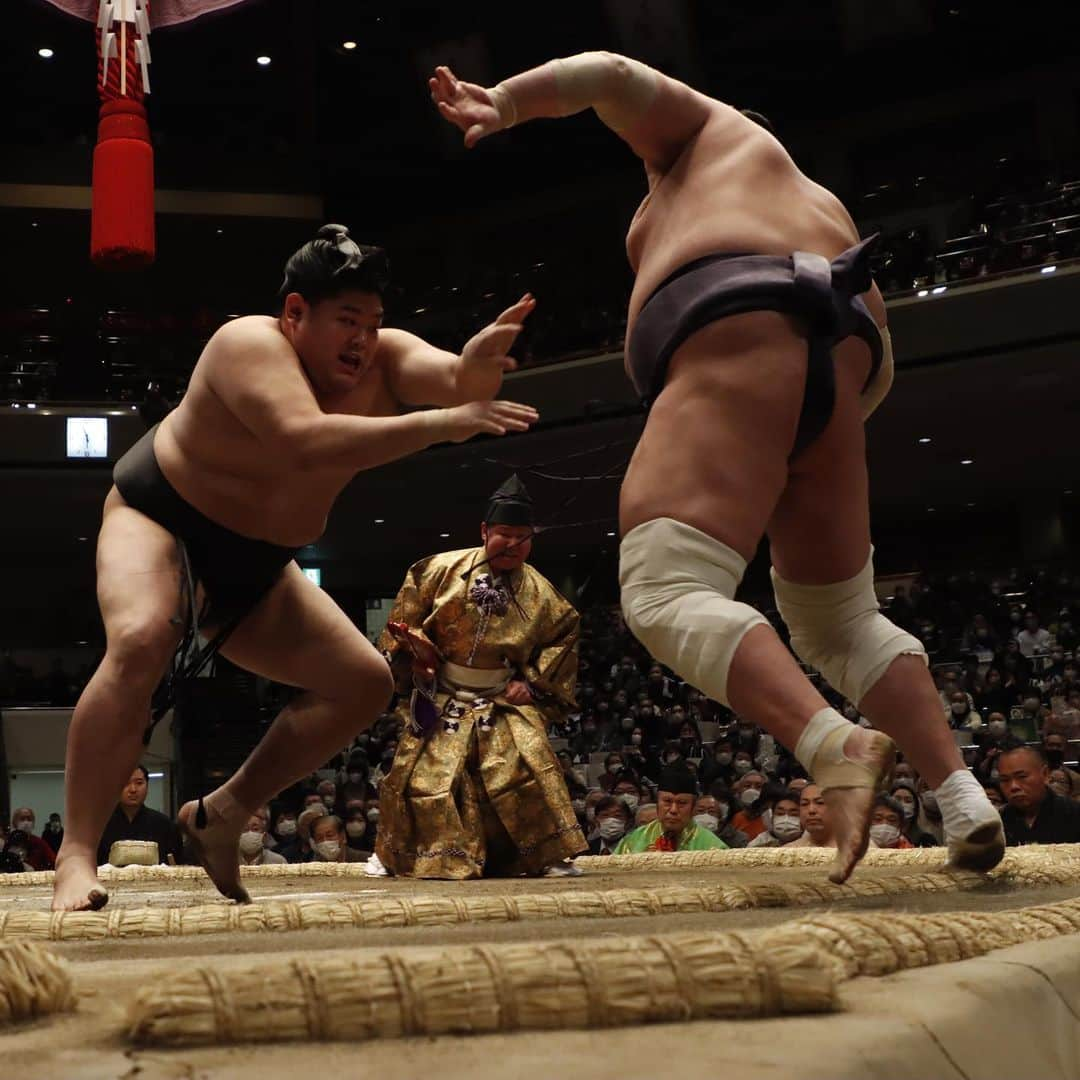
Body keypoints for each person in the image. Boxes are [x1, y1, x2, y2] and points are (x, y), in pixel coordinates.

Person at [430, 53, 1003, 883]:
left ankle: (833, 746)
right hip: (840, 369)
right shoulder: (821, 205)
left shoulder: (707, 133)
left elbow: (610, 74)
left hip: (740, 325)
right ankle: (962, 798)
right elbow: (877, 360)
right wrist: (789, 432)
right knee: (842, 621)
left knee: (664, 589)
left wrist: (507, 103)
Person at [53, 223, 539, 911]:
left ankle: (221, 813)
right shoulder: (244, 344)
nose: (363, 340)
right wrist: (438, 424)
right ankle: (76, 855)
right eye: (347, 321)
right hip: (162, 514)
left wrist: (478, 364)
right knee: (140, 638)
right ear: (294, 314)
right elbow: (302, 438)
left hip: (258, 563)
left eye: (373, 323)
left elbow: (457, 382)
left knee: (363, 684)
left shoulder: (385, 360)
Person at [375, 476, 585, 878]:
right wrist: (415, 655)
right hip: (439, 689)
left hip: (501, 694)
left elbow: (563, 636)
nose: (513, 545)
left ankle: (541, 855)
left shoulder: (541, 591)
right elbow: (403, 620)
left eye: (523, 538)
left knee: (526, 769)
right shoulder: (437, 569)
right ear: (485, 531)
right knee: (419, 777)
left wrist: (533, 683)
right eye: (505, 534)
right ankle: (397, 854)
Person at [614, 764, 728, 853]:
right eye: (667, 801)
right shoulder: (633, 841)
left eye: (682, 803)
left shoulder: (713, 847)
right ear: (657, 803)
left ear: (693, 808)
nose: (673, 810)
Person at [96, 766, 183, 867]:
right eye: (125, 783)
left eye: (139, 783)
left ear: (147, 785)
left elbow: (176, 864)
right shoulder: (99, 824)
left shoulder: (165, 825)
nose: (133, 789)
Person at [997, 744, 1080, 845]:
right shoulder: (997, 822)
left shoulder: (1074, 813)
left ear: (1045, 774)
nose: (1013, 786)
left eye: (1022, 776)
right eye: (1004, 780)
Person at [789, 783, 835, 848]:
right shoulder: (787, 851)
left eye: (820, 802)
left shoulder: (852, 852)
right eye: (804, 804)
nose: (811, 810)